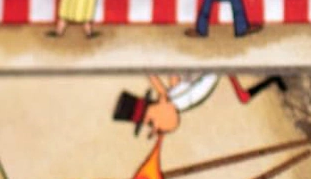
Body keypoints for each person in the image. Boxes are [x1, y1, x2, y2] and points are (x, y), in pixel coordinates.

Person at [114, 73, 287, 137]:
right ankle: (274, 78)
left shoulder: (175, 99)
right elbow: (168, 85)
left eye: (152, 123)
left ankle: (274, 76)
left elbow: (164, 87)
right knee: (242, 97)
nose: (157, 128)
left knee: (243, 97)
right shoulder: (174, 98)